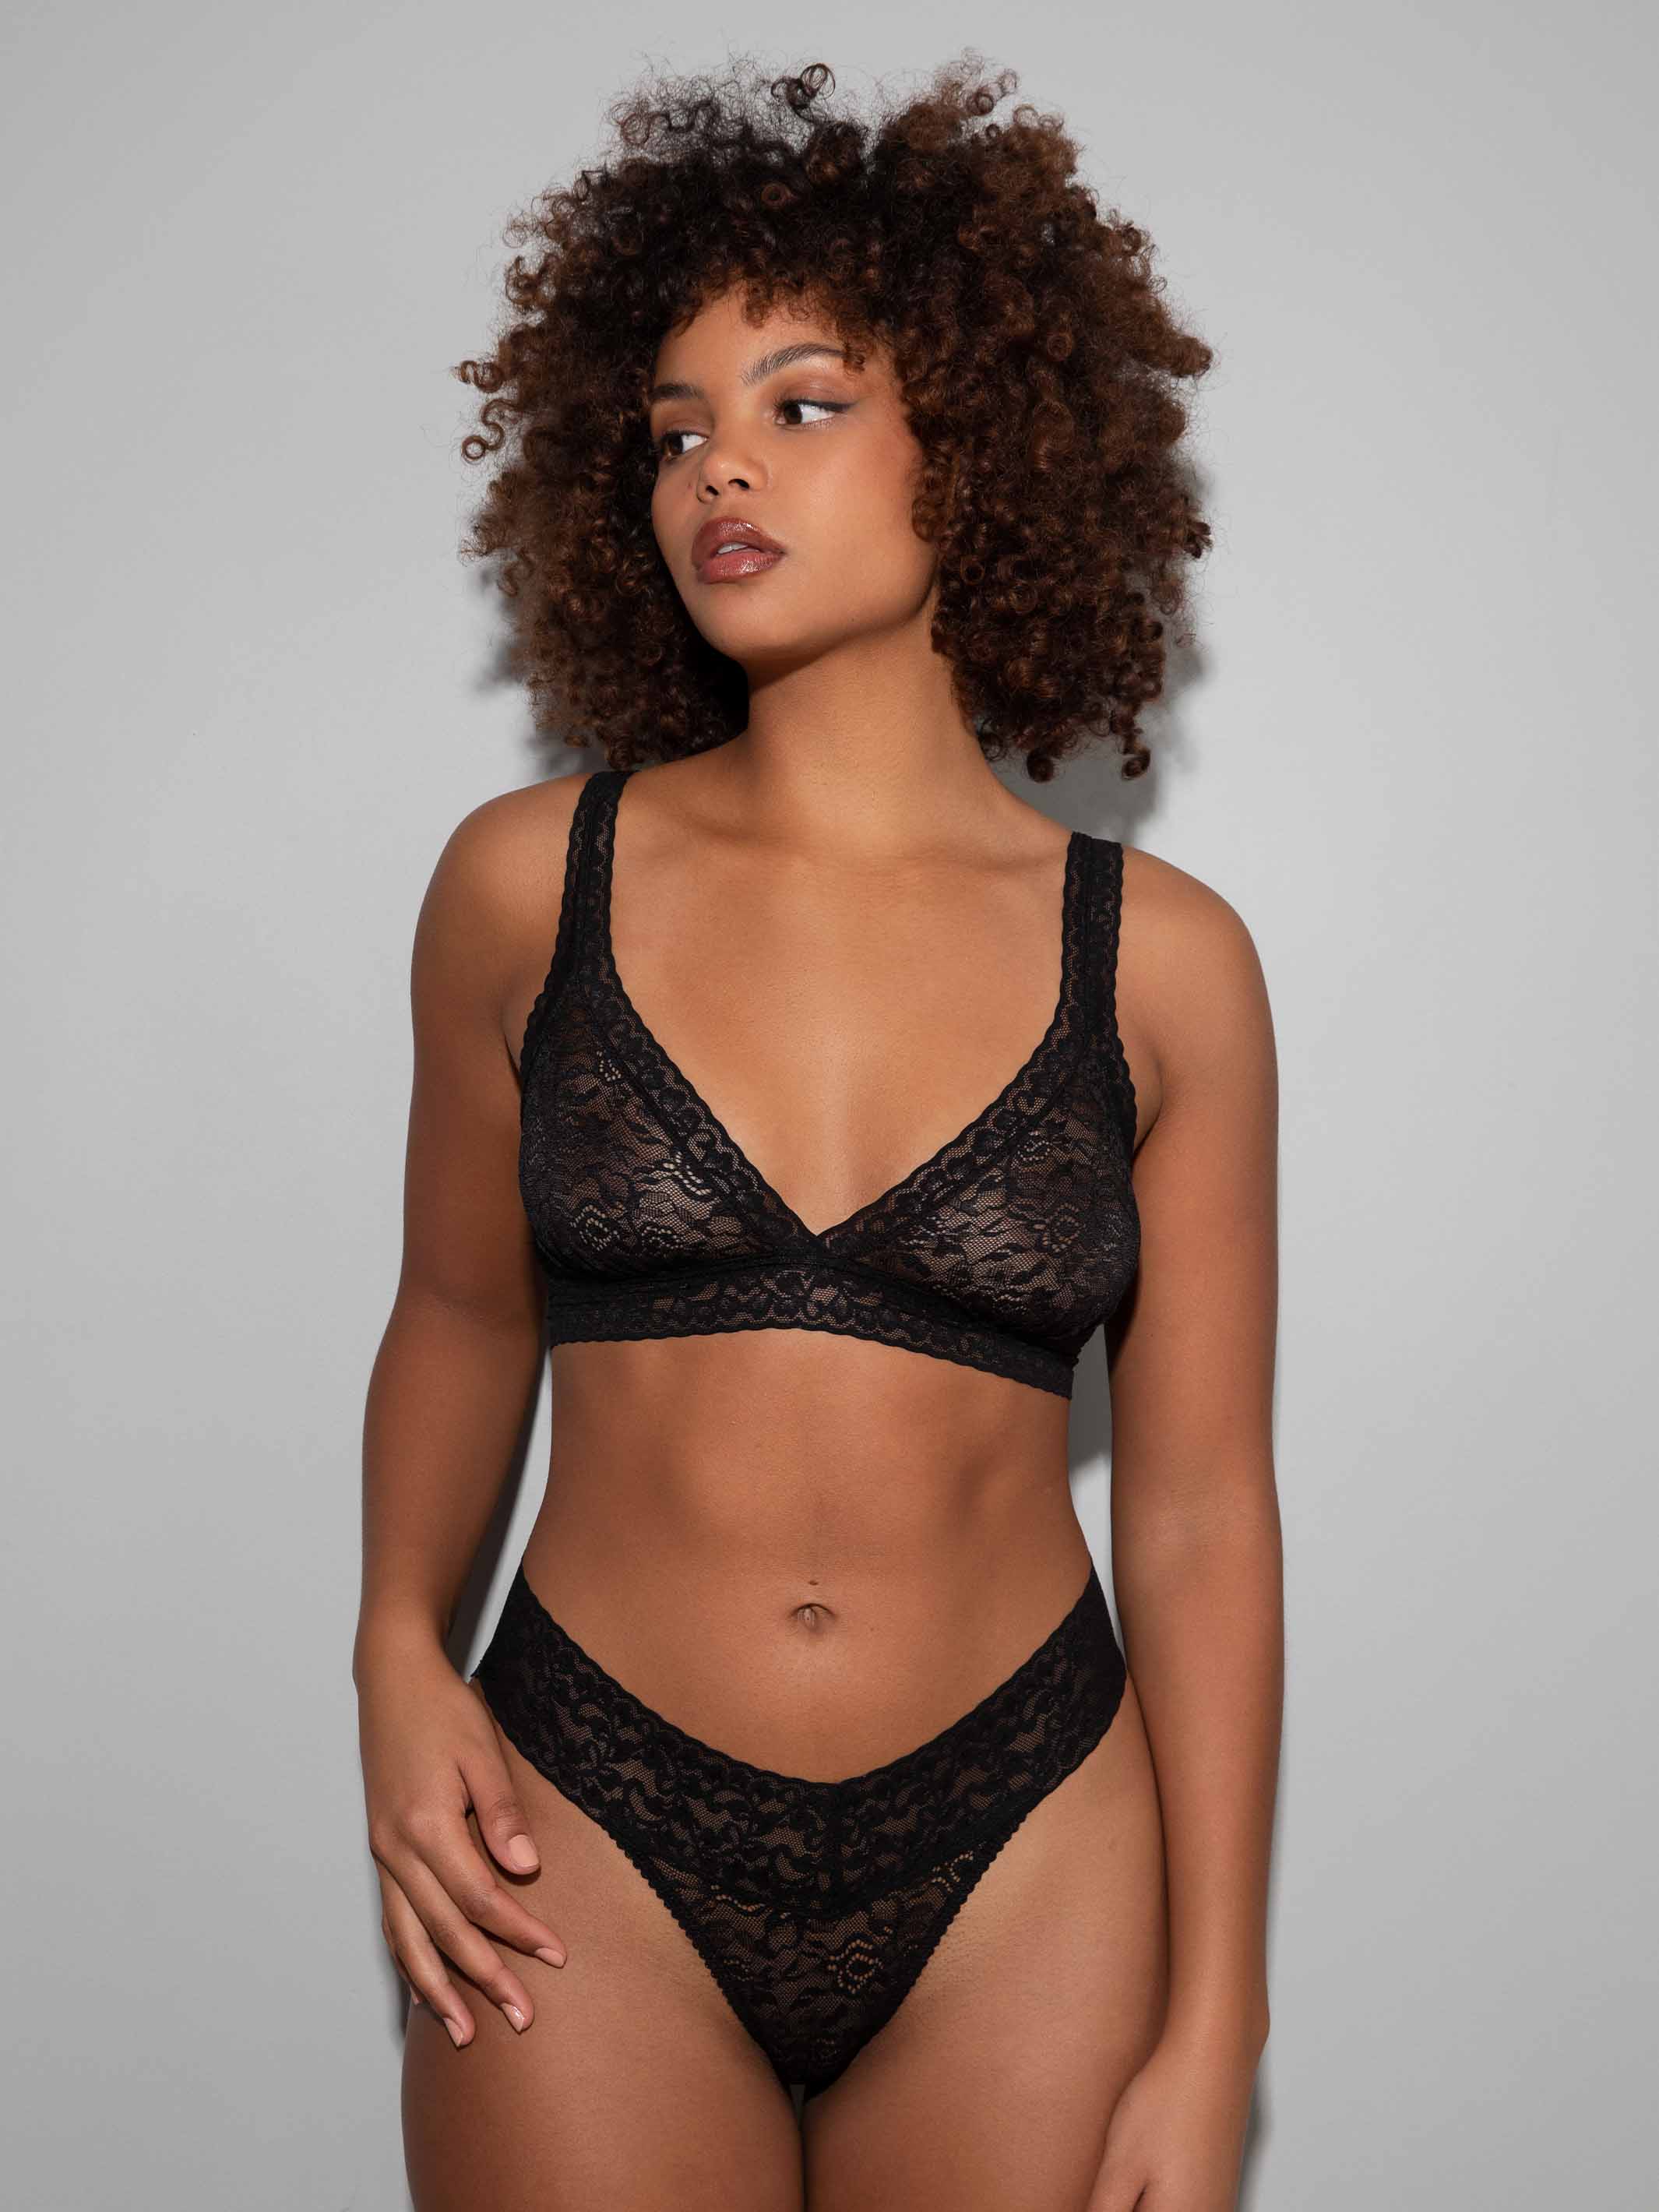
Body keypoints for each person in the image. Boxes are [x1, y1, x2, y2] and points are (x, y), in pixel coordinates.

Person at [354, 54, 1282, 2212]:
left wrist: (1216, 2015)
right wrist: (395, 1647)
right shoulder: (527, 885)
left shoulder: (1160, 961)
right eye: (675, 429)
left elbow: (1201, 1515)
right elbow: (459, 1316)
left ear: (983, 437)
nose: (720, 471)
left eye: (800, 402)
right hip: (577, 1819)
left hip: (1031, 1850)